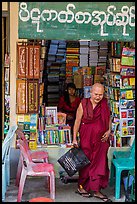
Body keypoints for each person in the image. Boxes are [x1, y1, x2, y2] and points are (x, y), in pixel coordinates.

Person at [72, 83, 112, 202]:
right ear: (90, 92)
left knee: (100, 163)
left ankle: (96, 190)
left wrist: (109, 130)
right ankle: (82, 187)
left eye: (100, 95)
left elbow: (109, 118)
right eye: (96, 94)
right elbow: (77, 122)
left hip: (101, 140)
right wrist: (74, 138)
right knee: (85, 162)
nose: (98, 97)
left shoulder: (104, 104)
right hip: (86, 138)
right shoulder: (83, 104)